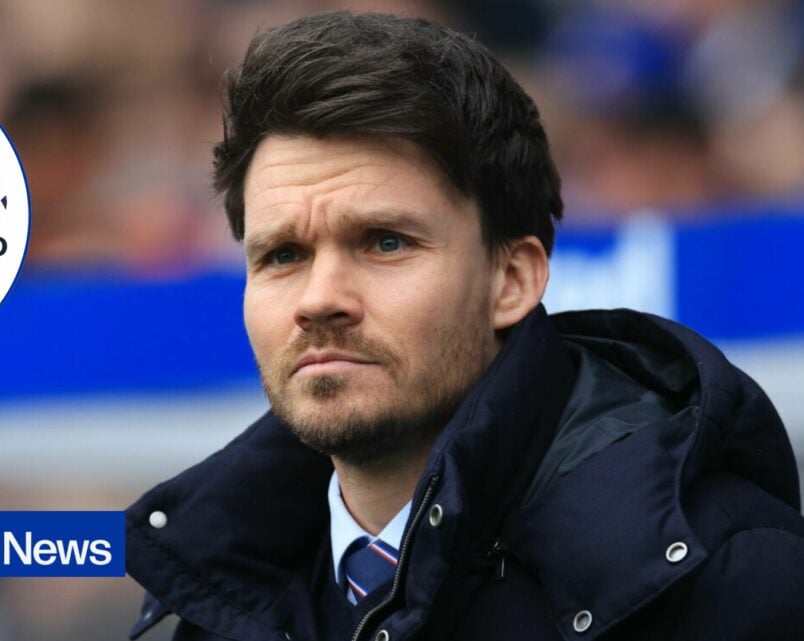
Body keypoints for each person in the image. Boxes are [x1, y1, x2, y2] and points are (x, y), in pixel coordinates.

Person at [124, 11, 804, 641]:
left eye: (385, 242)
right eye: (282, 255)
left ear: (512, 279)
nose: (320, 298)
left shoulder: (728, 580)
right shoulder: (217, 603)